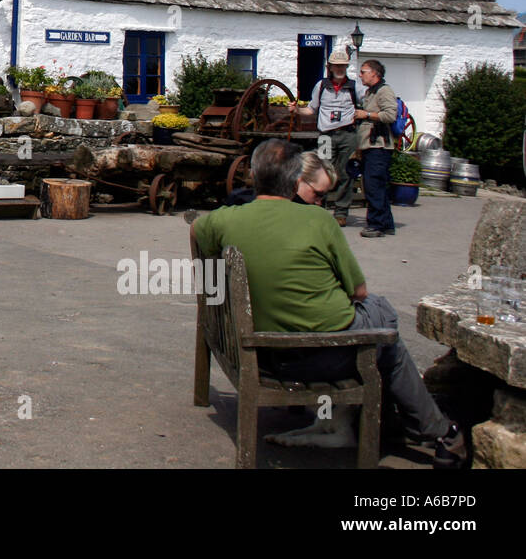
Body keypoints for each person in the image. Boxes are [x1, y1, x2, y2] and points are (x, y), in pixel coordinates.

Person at [191, 139, 464, 467]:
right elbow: (358, 291)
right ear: (295, 183)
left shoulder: (225, 220)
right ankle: (437, 430)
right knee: (384, 320)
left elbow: (195, 229)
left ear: (253, 175)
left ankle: (404, 422)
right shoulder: (320, 222)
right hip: (320, 358)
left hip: (257, 352)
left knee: (381, 318)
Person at [301, 48, 363, 226]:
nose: (339, 68)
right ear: (330, 66)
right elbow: (311, 109)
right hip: (326, 135)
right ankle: (319, 208)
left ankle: (341, 212)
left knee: (345, 173)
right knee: (322, 171)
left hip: (347, 134)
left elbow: (365, 104)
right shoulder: (321, 86)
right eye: (336, 65)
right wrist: (296, 110)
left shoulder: (354, 86)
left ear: (346, 66)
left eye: (342, 65)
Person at [356, 59, 397, 238]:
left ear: (374, 73)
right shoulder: (370, 92)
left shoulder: (384, 91)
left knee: (373, 185)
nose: (360, 74)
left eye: (363, 71)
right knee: (377, 185)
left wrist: (367, 114)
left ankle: (375, 224)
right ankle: (387, 223)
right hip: (370, 145)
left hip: (379, 146)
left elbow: (390, 114)